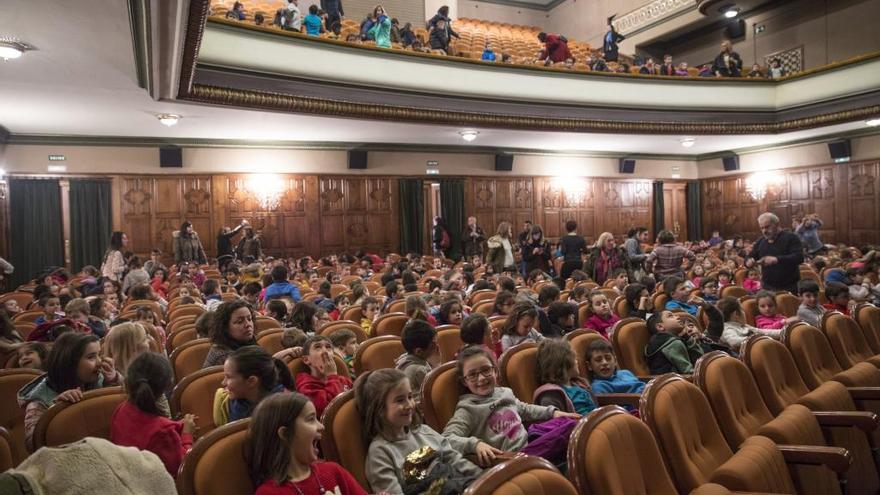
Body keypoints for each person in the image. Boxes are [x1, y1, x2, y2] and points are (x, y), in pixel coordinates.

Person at [442, 346, 580, 467]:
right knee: (570, 429)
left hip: (531, 441)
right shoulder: (467, 409)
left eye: (486, 370)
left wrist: (553, 413)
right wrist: (476, 444)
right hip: (513, 459)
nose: (482, 378)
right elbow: (447, 438)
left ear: (495, 371)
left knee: (568, 423)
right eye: (472, 375)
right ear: (464, 381)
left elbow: (524, 409)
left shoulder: (504, 392)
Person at [359, 368, 482, 494]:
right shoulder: (380, 453)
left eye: (410, 396)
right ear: (379, 409)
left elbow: (454, 460)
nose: (410, 405)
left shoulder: (423, 431)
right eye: (400, 400)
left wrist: (483, 479)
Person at [246, 393, 367, 495]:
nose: (321, 426)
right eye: (310, 419)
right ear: (285, 434)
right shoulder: (269, 492)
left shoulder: (333, 471)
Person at [18, 332, 121, 451]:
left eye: (99, 355)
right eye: (91, 357)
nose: (99, 362)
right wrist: (57, 411)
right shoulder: (39, 401)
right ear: (69, 362)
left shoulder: (100, 379)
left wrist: (114, 379)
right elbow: (34, 446)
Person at [110, 352, 194, 477]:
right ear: (166, 386)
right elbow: (182, 468)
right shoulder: (163, 430)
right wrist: (187, 435)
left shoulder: (121, 409)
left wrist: (176, 425)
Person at [214, 345, 293, 426]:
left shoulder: (285, 409)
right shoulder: (232, 403)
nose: (223, 383)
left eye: (228, 377)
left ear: (252, 381)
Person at [294, 336, 353, 418]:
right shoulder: (306, 387)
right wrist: (332, 375)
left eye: (328, 347)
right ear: (306, 360)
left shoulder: (343, 380)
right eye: (317, 347)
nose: (325, 351)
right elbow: (330, 413)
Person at [534, 339, 596, 415]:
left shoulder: (580, 383)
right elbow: (558, 423)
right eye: (574, 359)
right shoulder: (551, 395)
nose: (577, 362)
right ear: (563, 365)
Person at [746, 212, 804, 293]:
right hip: (767, 287)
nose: (764, 231)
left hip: (790, 287)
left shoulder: (791, 238)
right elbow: (750, 256)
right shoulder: (761, 241)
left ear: (777, 224)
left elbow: (799, 257)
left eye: (767, 227)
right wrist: (749, 261)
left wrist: (777, 259)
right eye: (762, 228)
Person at [203, 300, 257, 367]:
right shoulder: (224, 357)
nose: (248, 324)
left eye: (249, 319)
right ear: (225, 327)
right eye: (240, 322)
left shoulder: (248, 342)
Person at [717, 296, 781, 350]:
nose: (744, 313)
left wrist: (784, 331)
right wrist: (756, 338)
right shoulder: (726, 328)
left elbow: (764, 332)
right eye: (742, 310)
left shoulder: (744, 326)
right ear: (736, 314)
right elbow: (733, 341)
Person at [395, 319, 438, 392]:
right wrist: (436, 365)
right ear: (418, 351)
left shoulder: (404, 357)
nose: (437, 347)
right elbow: (436, 391)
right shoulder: (419, 370)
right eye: (433, 345)